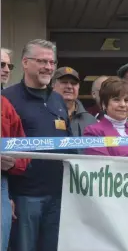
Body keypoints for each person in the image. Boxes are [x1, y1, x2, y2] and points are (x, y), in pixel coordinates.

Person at [2, 39, 73, 251]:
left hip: (58, 196)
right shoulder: (7, 99)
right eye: (42, 61)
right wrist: (7, 198)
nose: (48, 67)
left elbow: (69, 143)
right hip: (23, 197)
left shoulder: (58, 100)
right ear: (25, 62)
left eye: (52, 62)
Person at [1, 96, 30, 251]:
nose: (5, 70)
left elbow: (23, 149)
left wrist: (13, 163)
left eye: (9, 68)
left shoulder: (4, 104)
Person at [52, 66, 96, 136]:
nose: (69, 86)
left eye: (74, 83)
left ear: (78, 87)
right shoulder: (43, 114)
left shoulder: (90, 120)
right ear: (53, 85)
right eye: (64, 82)